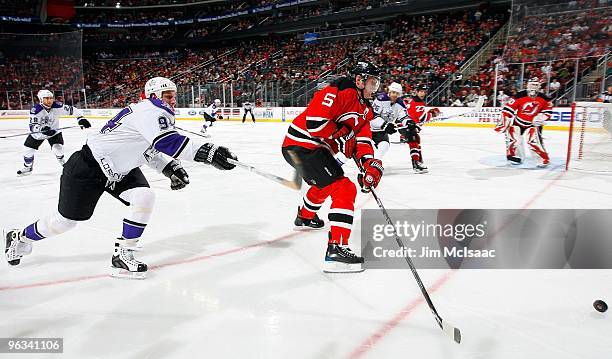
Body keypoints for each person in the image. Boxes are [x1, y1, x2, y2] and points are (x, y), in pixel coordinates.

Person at [4, 77, 238, 279]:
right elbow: (166, 143)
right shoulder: (150, 110)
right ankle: (19, 237)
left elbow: (148, 150)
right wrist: (209, 153)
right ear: (155, 95)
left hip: (121, 170)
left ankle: (123, 253)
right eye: (168, 95)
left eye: (173, 95)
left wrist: (169, 168)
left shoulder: (153, 112)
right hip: (88, 167)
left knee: (144, 196)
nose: (173, 100)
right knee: (64, 222)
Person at [281, 61, 383, 273]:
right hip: (299, 147)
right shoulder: (340, 89)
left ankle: (305, 217)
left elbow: (363, 141)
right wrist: (342, 134)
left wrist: (370, 165)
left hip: (317, 151)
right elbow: (315, 123)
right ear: (359, 80)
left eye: (376, 84)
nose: (375, 88)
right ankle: (336, 250)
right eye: (372, 83)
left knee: (326, 183)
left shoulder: (366, 110)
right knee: (345, 188)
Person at [17, 90, 91, 176]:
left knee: (58, 148)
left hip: (54, 132)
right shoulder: (36, 110)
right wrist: (42, 129)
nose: (49, 101)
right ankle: (28, 167)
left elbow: (73, 110)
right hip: (39, 134)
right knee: (28, 151)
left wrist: (80, 118)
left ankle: (64, 164)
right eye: (46, 98)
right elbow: (32, 126)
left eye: (51, 98)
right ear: (41, 99)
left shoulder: (57, 106)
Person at [495, 77, 553, 167]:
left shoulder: (544, 98)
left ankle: (542, 158)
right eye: (532, 84)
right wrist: (504, 122)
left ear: (539, 86)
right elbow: (508, 109)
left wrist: (541, 117)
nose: (533, 87)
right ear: (528, 85)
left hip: (533, 124)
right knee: (514, 140)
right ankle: (516, 156)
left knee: (533, 142)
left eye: (536, 85)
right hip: (518, 122)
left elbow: (548, 111)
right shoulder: (519, 95)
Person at [396, 84, 440, 173]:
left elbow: (417, 117)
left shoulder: (414, 100)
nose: (423, 93)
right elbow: (422, 118)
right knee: (414, 141)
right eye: (421, 91)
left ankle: (419, 160)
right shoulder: (417, 102)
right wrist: (432, 114)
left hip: (404, 124)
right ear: (417, 92)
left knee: (416, 140)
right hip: (406, 125)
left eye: (424, 92)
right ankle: (416, 164)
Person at [370, 82, 406, 158]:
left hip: (381, 130)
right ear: (389, 92)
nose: (394, 95)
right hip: (369, 128)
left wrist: (409, 122)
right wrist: (385, 125)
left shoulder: (400, 103)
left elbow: (403, 116)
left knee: (384, 145)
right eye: (393, 92)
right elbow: (373, 116)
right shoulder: (381, 99)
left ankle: (376, 162)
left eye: (397, 93)